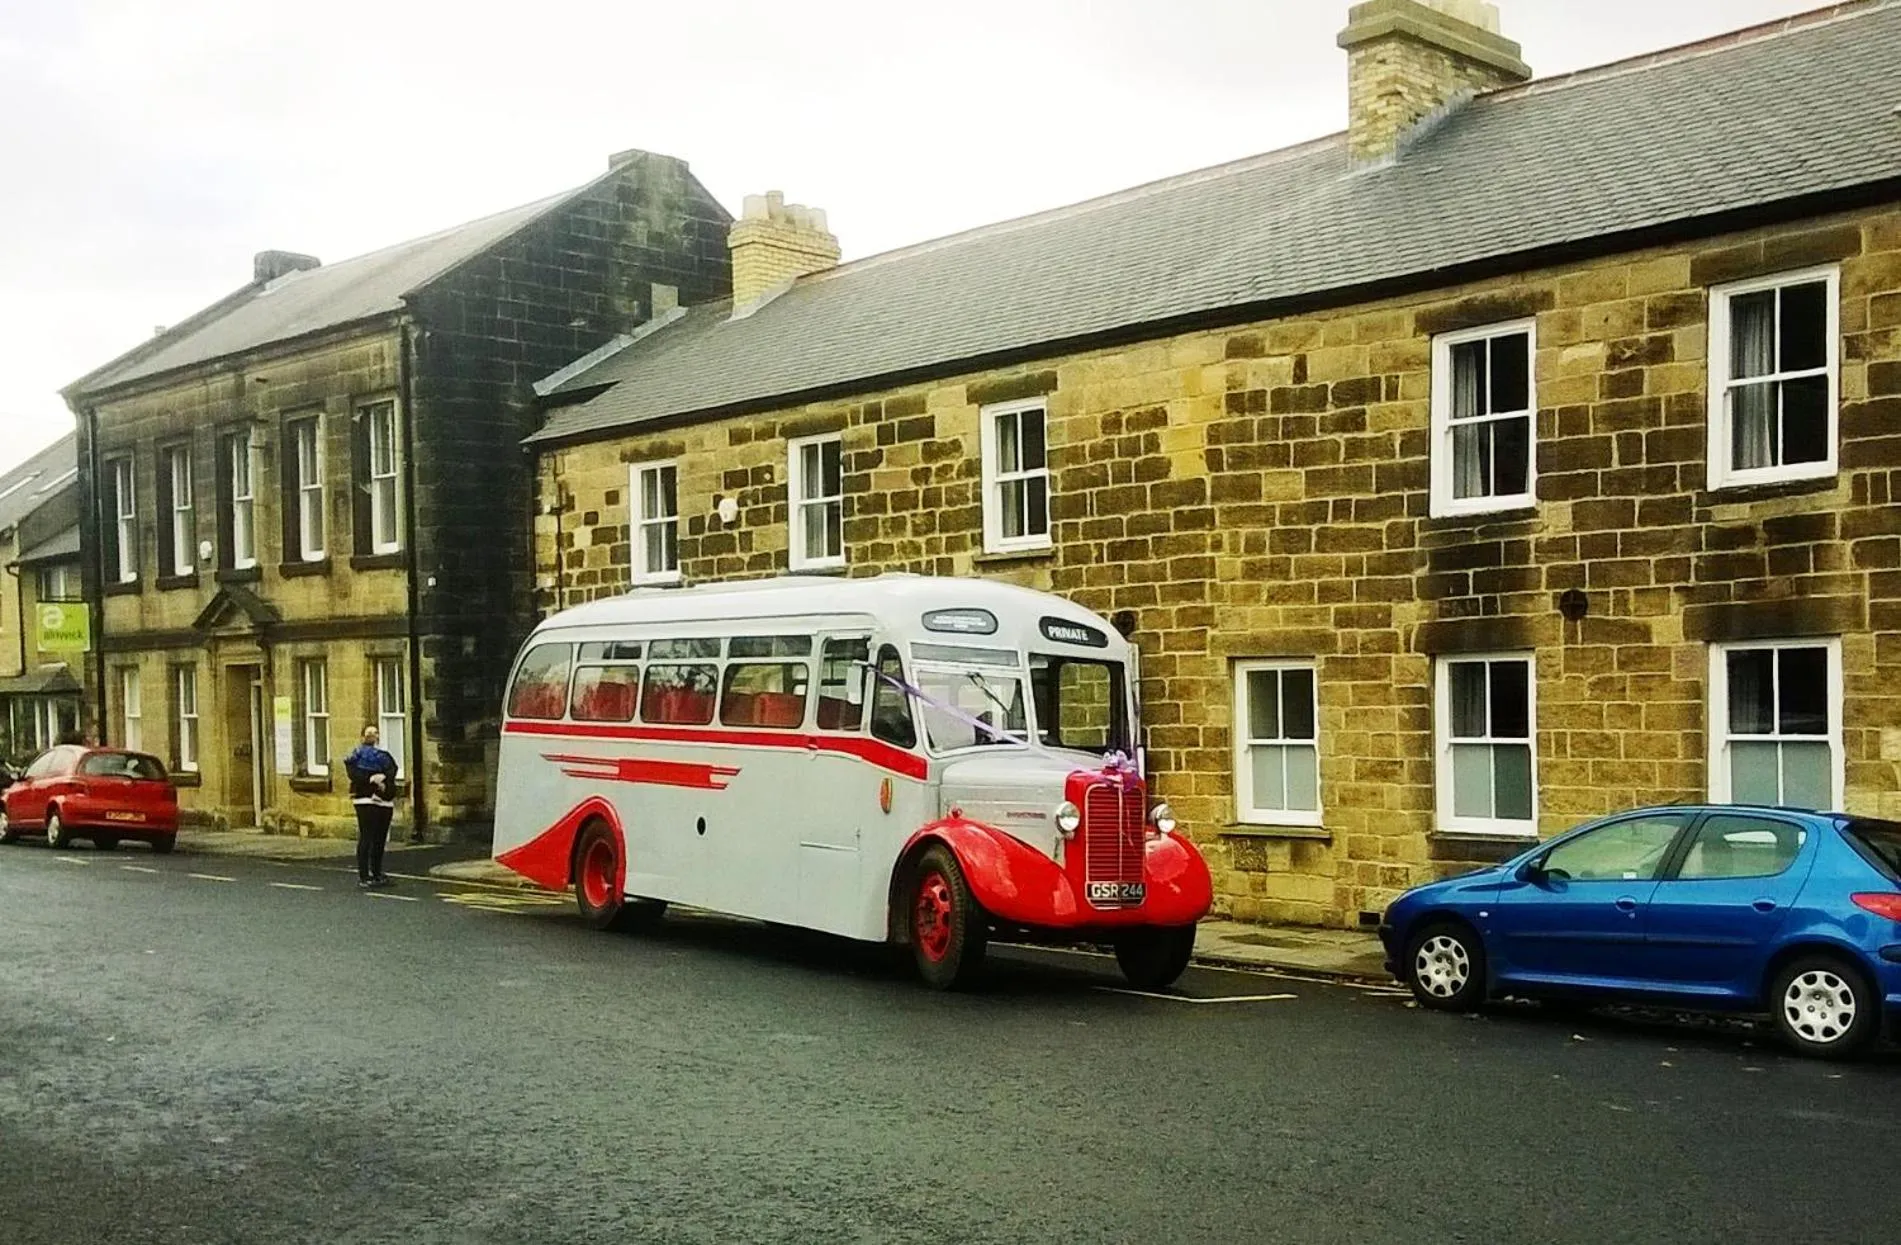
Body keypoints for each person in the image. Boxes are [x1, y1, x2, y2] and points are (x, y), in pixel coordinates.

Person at [344, 725, 400, 889]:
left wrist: (383, 777)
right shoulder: (355, 756)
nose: (372, 735)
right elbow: (354, 775)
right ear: (362, 737)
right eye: (369, 733)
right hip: (365, 800)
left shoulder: (385, 756)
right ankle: (364, 876)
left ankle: (377, 873)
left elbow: (393, 770)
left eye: (375, 732)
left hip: (385, 801)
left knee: (380, 839)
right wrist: (371, 778)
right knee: (367, 836)